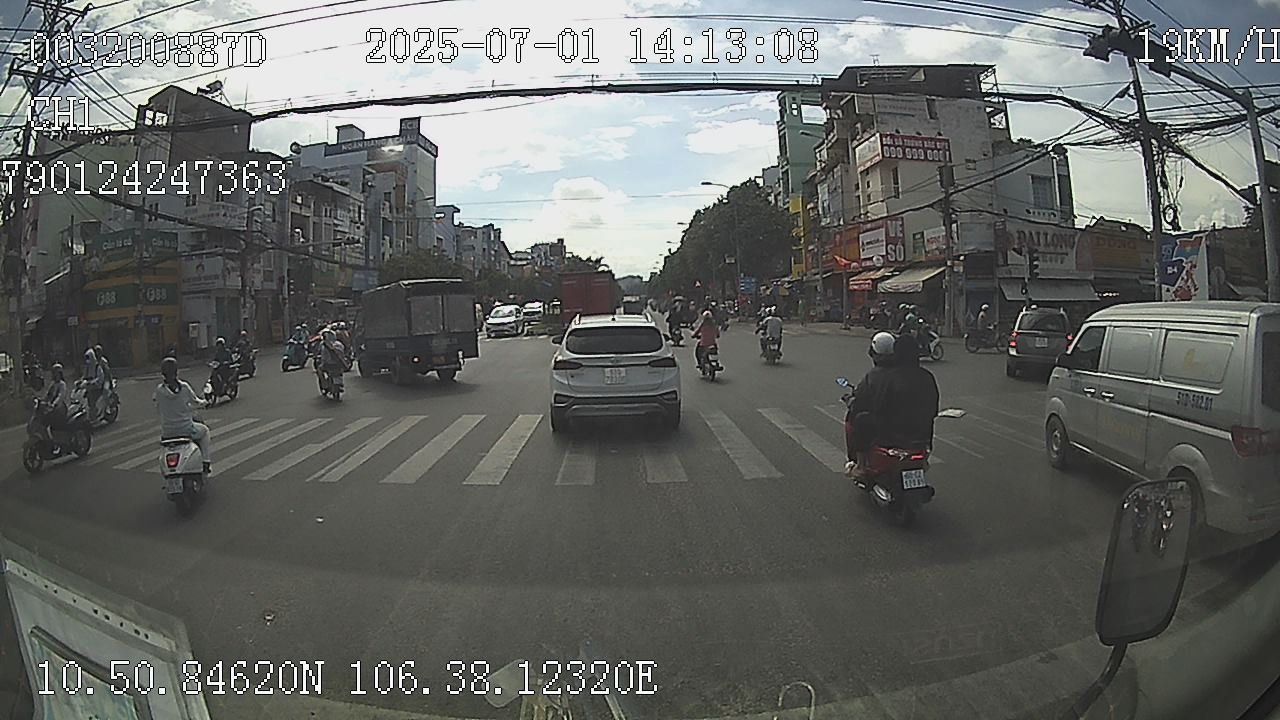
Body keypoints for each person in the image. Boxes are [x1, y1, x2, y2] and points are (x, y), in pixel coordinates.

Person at [844, 333, 940, 481]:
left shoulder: (888, 377)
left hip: (892, 435)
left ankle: (861, 466)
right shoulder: (927, 376)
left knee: (861, 419)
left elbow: (878, 406)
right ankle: (924, 462)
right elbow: (934, 410)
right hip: (922, 436)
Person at [153, 356, 211, 474]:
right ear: (176, 371)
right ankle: (206, 462)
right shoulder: (184, 387)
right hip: (186, 430)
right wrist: (205, 402)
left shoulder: (159, 390)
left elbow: (158, 407)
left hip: (167, 433)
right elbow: (196, 402)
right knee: (205, 431)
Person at [40, 363, 69, 440]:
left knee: (52, 420)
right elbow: (47, 394)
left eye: (56, 373)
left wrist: (54, 404)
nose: (54, 375)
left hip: (60, 408)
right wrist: (41, 401)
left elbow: (60, 396)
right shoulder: (52, 384)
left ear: (60, 374)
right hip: (52, 408)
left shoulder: (62, 384)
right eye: (53, 373)